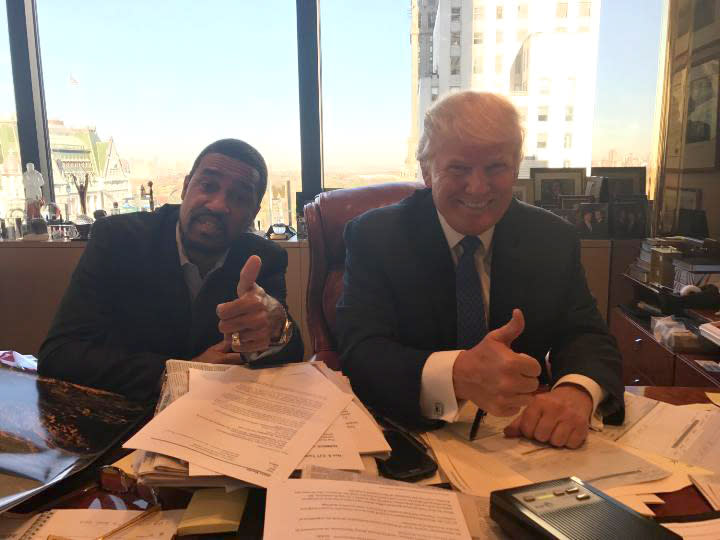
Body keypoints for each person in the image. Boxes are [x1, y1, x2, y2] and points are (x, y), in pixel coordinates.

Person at [337, 92, 623, 449]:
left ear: (515, 166)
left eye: (495, 167)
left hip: (521, 439)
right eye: (458, 168)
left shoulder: (552, 237)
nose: (478, 187)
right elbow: (360, 351)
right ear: (427, 170)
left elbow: (586, 334)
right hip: (410, 437)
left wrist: (576, 391)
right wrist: (456, 374)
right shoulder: (375, 236)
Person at [39, 139, 303, 401]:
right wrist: (177, 373)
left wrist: (278, 326)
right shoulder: (118, 239)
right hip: (130, 414)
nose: (218, 205)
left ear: (253, 213)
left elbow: (292, 353)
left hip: (219, 417)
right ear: (186, 187)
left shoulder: (264, 257)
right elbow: (60, 354)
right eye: (208, 186)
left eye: (239, 197)